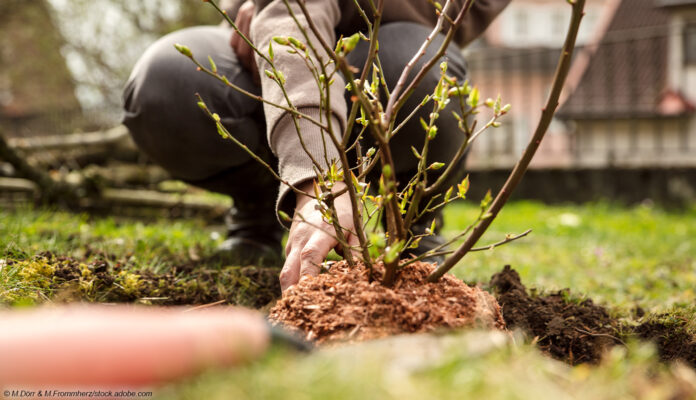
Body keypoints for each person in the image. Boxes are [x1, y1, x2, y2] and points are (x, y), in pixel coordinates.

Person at [122, 0, 510, 292]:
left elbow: (463, 11)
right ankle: (260, 208)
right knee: (167, 80)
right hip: (276, 21)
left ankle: (412, 224)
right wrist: (316, 178)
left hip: (399, 37)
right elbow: (293, 13)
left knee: (422, 67)